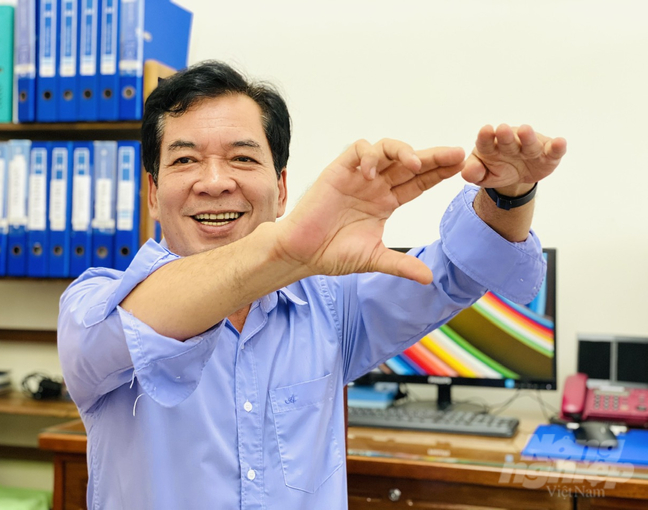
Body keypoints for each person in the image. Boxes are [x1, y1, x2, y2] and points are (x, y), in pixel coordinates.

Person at [58, 60, 566, 509]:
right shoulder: (91, 310)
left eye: (242, 157)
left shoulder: (328, 306)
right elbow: (146, 319)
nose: (213, 182)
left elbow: (456, 271)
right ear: (152, 192)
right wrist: (284, 249)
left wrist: (507, 196)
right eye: (185, 159)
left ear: (280, 188)